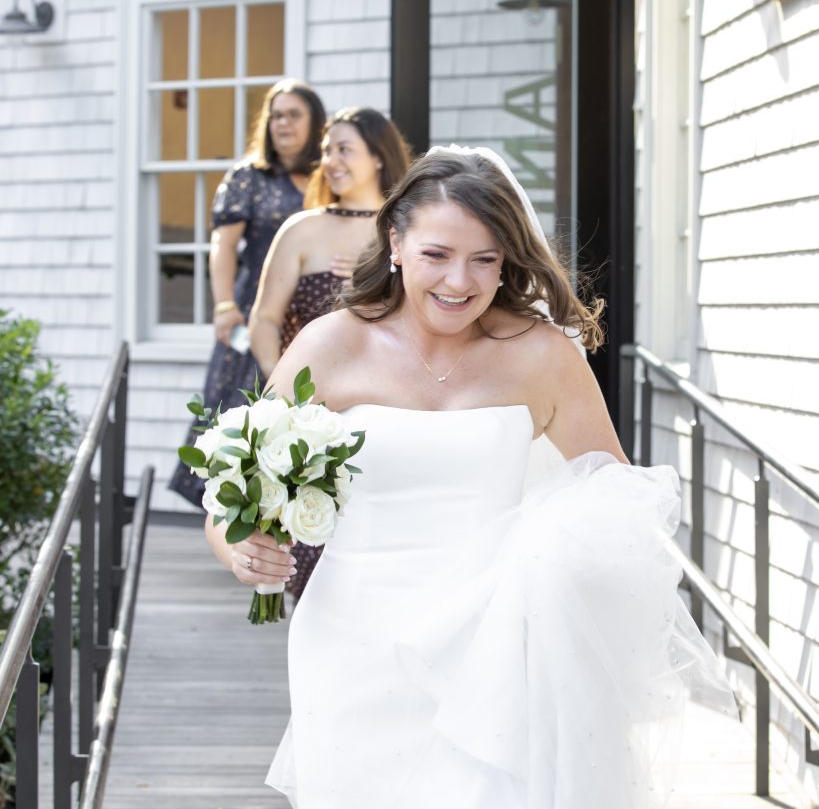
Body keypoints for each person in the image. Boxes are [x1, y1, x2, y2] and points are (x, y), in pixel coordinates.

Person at [205, 147, 735, 807]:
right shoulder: (328, 344)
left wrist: (551, 561)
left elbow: (613, 494)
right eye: (437, 255)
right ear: (394, 242)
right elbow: (236, 491)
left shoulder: (541, 355)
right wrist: (238, 548)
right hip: (350, 640)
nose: (460, 280)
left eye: (485, 259)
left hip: (494, 644)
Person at [247, 107, 411, 597]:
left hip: (390, 414)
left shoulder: (407, 230)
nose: (330, 161)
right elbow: (265, 320)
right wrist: (287, 394)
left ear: (379, 157)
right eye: (326, 151)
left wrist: (379, 281)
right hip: (313, 424)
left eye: (344, 149)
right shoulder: (301, 229)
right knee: (314, 572)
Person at [168, 79, 326, 507]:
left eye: (294, 115)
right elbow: (223, 246)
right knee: (240, 413)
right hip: (254, 312)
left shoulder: (327, 177)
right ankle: (231, 519)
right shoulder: (248, 176)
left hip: (313, 314)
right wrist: (223, 306)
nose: (283, 124)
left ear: (315, 123)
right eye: (276, 115)